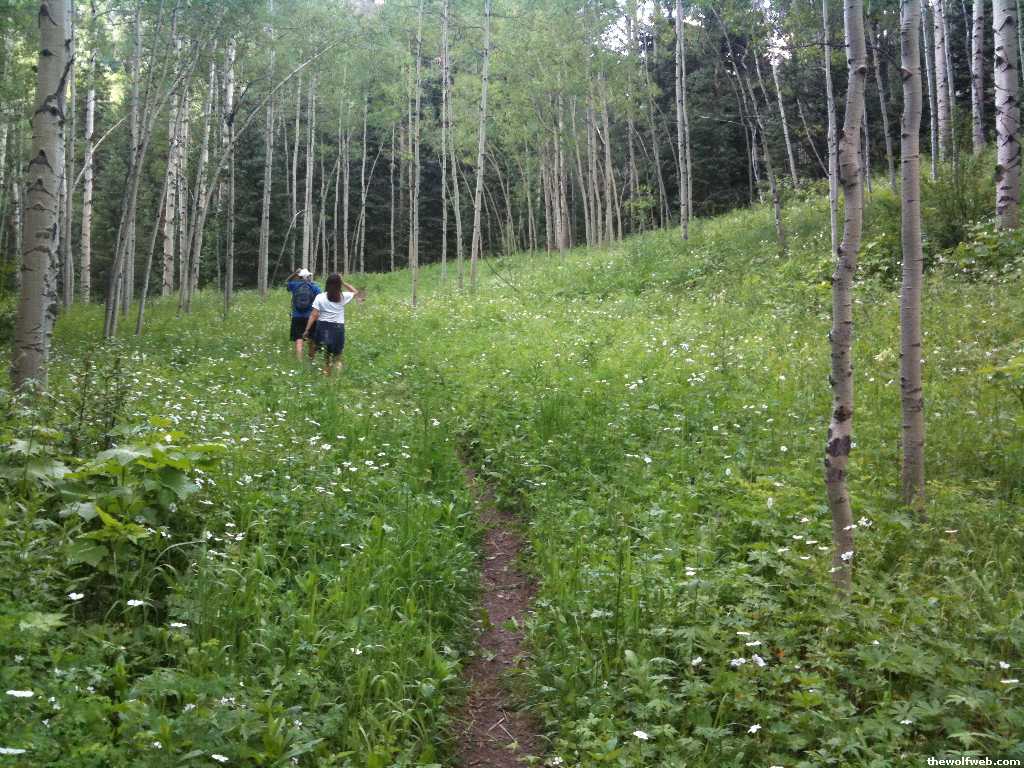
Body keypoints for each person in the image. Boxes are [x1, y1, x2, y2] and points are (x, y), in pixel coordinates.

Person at [302, 273, 363, 375]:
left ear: (327, 283)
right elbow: (357, 293)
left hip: (323, 327)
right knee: (337, 356)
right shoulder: (342, 296)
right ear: (339, 284)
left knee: (327, 356)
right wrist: (343, 282)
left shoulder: (320, 297)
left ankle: (327, 376)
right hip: (338, 328)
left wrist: (307, 330)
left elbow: (314, 315)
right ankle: (337, 379)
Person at [286, 268, 321, 360]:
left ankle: (299, 361)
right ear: (309, 276)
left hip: (297, 317)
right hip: (310, 317)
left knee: (299, 339)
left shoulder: (294, 285)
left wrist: (295, 274)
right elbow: (320, 298)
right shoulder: (314, 287)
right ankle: (311, 359)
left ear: (299, 277)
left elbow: (287, 282)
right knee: (311, 339)